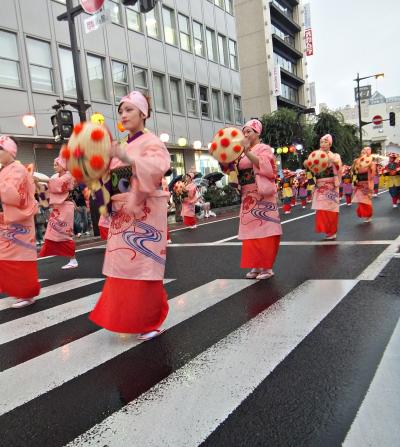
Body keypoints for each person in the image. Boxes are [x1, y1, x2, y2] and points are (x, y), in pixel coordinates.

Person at [89, 91, 171, 341]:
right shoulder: (123, 145)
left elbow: (157, 169)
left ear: (143, 113)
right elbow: (110, 180)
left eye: (129, 110)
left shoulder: (151, 142)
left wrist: (129, 159)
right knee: (123, 266)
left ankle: (150, 320)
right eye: (121, 111)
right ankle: (129, 318)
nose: (123, 115)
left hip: (143, 212)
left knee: (144, 266)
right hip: (122, 213)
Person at [237, 119, 282, 280]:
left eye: (249, 131)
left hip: (262, 194)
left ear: (257, 132)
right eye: (244, 131)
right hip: (248, 195)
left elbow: (267, 167)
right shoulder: (242, 151)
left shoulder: (264, 148)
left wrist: (247, 151)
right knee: (250, 231)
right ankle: (255, 265)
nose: (246, 134)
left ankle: (267, 267)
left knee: (265, 230)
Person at [0, 135, 40, 308]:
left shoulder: (17, 169)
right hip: (7, 221)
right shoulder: (5, 170)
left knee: (20, 259)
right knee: (6, 258)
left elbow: (15, 196)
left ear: (9, 152)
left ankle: (27, 294)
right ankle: (19, 292)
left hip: (18, 222)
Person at [38, 156, 78, 269]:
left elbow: (58, 184)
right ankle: (54, 252)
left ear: (63, 165)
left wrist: (44, 181)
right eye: (54, 164)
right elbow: (48, 188)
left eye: (56, 164)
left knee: (64, 233)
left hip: (66, 206)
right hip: (57, 207)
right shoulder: (54, 177)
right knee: (51, 232)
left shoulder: (68, 176)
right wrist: (39, 186)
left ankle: (73, 259)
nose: (54, 167)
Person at [311, 134, 342, 240]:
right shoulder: (315, 155)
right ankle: (327, 230)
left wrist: (329, 158)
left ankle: (332, 231)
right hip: (320, 186)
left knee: (331, 210)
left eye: (325, 142)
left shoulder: (335, 156)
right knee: (321, 209)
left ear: (330, 143)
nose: (323, 144)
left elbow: (338, 166)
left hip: (331, 185)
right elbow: (311, 169)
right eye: (321, 142)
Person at [351, 147, 376, 223]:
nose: (363, 154)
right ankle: (363, 213)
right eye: (362, 152)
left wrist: (370, 165)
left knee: (366, 201)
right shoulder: (357, 161)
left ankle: (368, 215)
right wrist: (354, 183)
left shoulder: (371, 162)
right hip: (359, 183)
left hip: (366, 183)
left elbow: (373, 174)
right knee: (360, 200)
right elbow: (353, 173)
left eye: (365, 152)